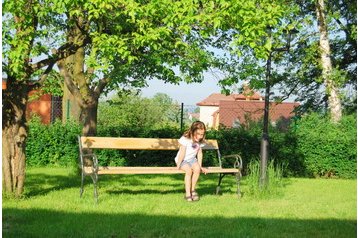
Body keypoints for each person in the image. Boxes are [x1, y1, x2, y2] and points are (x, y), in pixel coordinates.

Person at [174, 121, 209, 202]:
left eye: (202, 134)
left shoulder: (200, 141)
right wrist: (178, 165)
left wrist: (200, 166)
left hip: (192, 160)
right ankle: (187, 193)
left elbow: (199, 153)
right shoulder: (185, 139)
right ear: (193, 131)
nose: (200, 136)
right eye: (198, 134)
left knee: (197, 169)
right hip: (182, 160)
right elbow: (182, 153)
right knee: (189, 171)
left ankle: (192, 190)